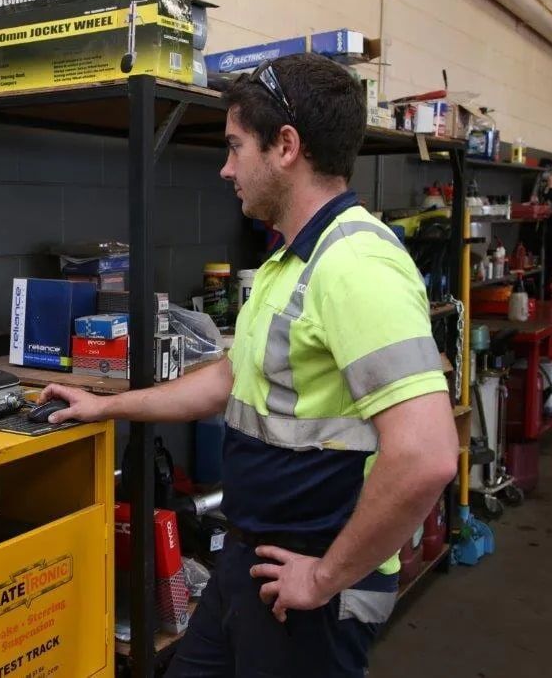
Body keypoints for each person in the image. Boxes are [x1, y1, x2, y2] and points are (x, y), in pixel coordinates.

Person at [37, 53, 459, 677]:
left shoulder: (356, 267)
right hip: (250, 557)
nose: (226, 167)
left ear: (286, 146)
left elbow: (427, 454)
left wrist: (323, 576)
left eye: (236, 147)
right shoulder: (287, 263)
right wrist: (107, 406)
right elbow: (230, 380)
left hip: (312, 580)